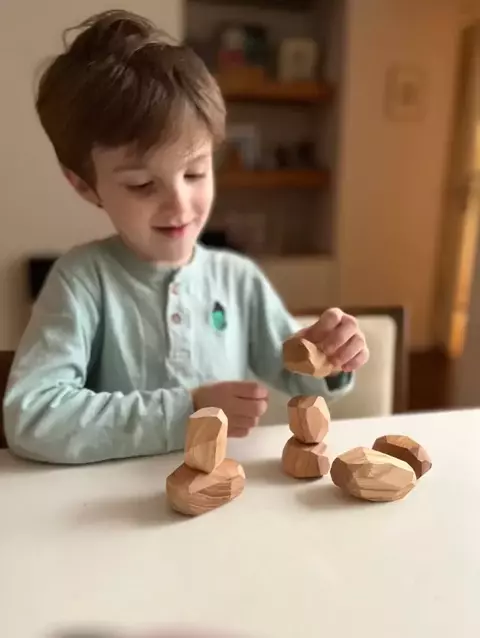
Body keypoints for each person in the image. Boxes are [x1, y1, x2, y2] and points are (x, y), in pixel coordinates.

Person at [3, 10, 369, 465]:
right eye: (142, 185)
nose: (179, 205)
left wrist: (327, 355)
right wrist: (188, 411)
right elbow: (33, 418)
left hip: (222, 499)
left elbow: (295, 374)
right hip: (112, 515)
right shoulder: (82, 282)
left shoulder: (237, 279)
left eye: (195, 172)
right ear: (84, 184)